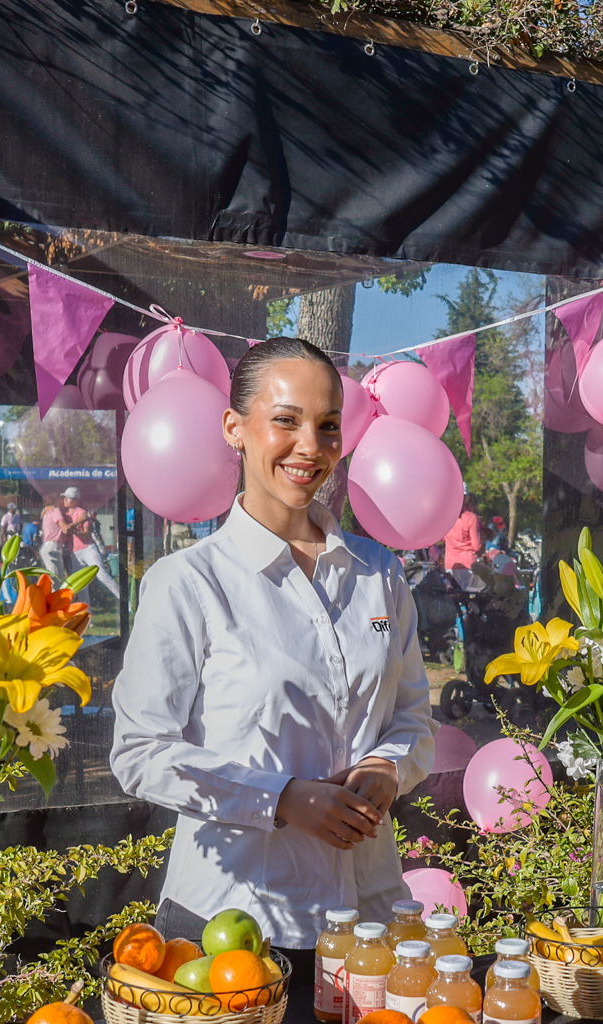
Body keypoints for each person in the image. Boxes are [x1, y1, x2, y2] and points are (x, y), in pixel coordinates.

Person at [110, 337, 436, 947]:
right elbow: (140, 752)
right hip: (235, 925)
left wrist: (388, 766)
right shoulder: (188, 583)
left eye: (328, 425)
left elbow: (414, 718)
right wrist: (281, 799)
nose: (310, 446)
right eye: (286, 420)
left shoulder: (379, 574)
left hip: (369, 917)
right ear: (234, 428)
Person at [40, 488, 81, 580]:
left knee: (56, 578)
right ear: (56, 500)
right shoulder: (55, 511)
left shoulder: (50, 511)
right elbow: (65, 528)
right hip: (52, 545)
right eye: (62, 498)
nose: (64, 500)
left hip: (50, 545)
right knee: (55, 579)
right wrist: (80, 521)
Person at [443, 497, 483, 571]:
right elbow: (476, 546)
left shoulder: (444, 516)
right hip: (468, 563)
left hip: (450, 564)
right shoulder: (471, 517)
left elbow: (442, 538)